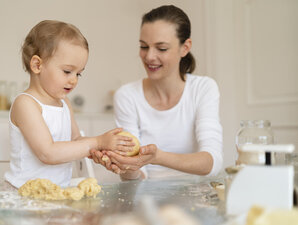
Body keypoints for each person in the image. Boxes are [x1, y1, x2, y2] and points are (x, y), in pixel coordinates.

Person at [90, 5, 223, 180]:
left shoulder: (203, 89)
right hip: (147, 201)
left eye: (161, 48)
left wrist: (158, 157)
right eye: (144, 46)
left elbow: (212, 163)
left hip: (198, 198)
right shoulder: (127, 96)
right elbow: (137, 177)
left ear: (185, 47)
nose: (149, 57)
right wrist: (124, 164)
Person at [4, 20, 135, 189]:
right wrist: (97, 142)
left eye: (78, 74)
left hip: (57, 194)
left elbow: (76, 141)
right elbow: (47, 153)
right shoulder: (26, 104)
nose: (73, 80)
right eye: (67, 71)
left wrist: (103, 149)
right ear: (37, 65)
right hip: (23, 196)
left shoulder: (64, 103)